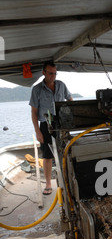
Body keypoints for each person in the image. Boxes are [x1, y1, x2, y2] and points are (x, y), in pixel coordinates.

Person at [29, 61, 73, 195]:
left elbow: (70, 101)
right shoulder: (37, 89)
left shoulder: (61, 85)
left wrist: (71, 119)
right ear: (43, 73)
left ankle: (66, 179)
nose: (53, 76)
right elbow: (34, 112)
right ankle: (48, 184)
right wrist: (37, 131)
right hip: (45, 125)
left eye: (55, 73)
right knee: (47, 155)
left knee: (65, 151)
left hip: (61, 123)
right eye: (50, 73)